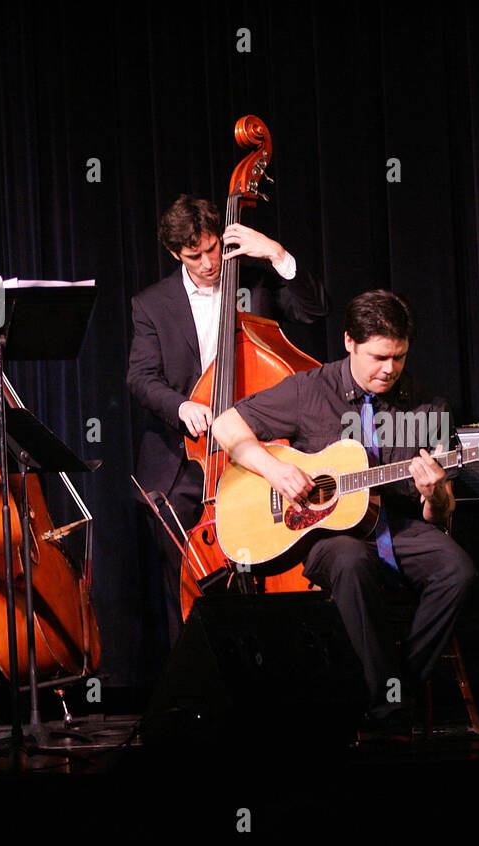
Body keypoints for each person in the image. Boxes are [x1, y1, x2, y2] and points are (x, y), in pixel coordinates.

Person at [210, 290, 477, 737]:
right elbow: (225, 426)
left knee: (459, 571)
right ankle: (391, 705)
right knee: (352, 562)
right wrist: (275, 469)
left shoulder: (428, 404)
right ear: (350, 341)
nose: (389, 369)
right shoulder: (310, 389)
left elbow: (438, 512)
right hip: (326, 532)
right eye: (378, 357)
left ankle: (394, 694)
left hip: (399, 522)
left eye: (399, 357)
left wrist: (435, 493)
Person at [127, 195, 328, 652]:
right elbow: (140, 377)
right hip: (189, 457)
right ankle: (199, 674)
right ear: (176, 253)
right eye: (194, 255)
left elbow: (315, 310)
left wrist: (276, 253)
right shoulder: (151, 304)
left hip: (262, 450)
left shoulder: (254, 279)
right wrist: (181, 406)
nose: (209, 262)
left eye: (214, 248)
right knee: (185, 559)